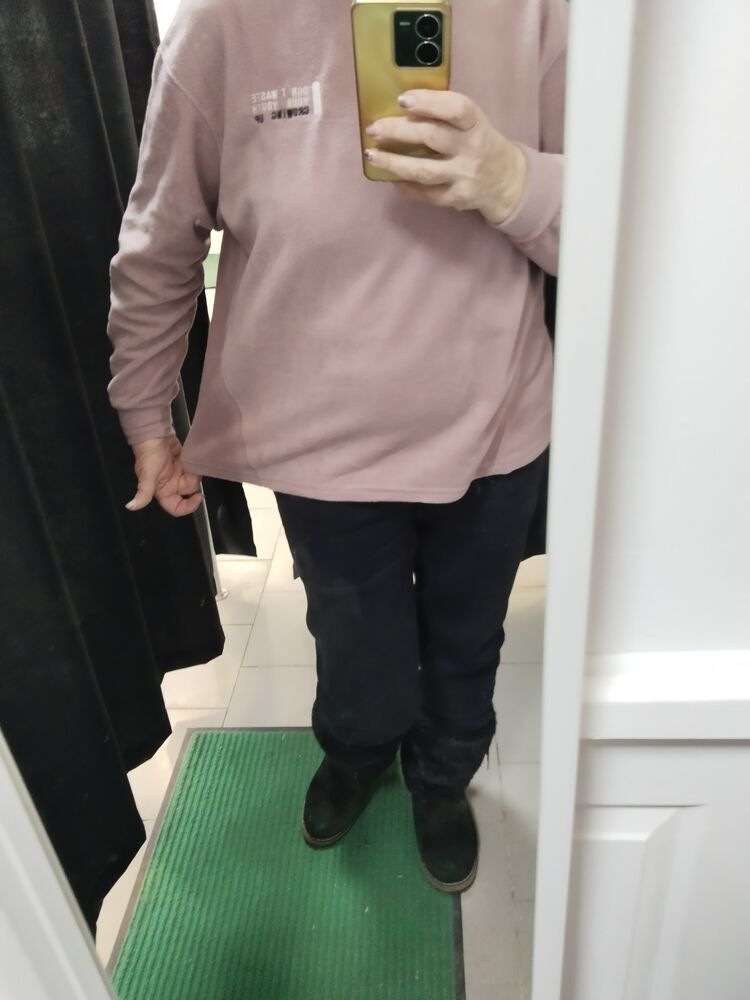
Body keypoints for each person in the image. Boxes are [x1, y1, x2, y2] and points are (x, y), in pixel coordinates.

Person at [107, 0, 567, 893]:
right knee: (357, 646)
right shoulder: (220, 24)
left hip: (495, 424)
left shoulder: (540, 14)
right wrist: (146, 413)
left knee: (469, 639)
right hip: (318, 446)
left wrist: (513, 179)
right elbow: (160, 238)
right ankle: (357, 750)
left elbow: (631, 225)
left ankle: (442, 776)